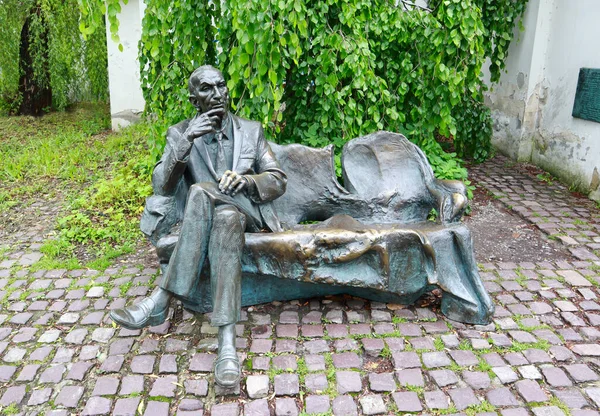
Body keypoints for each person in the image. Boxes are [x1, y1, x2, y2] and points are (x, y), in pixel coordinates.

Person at [110, 65, 287, 387]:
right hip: (219, 219)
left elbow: (277, 180)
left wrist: (246, 180)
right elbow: (162, 184)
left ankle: (161, 299)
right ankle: (228, 345)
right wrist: (187, 140)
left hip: (250, 213)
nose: (217, 94)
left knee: (201, 191)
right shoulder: (180, 133)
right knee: (224, 220)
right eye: (207, 89)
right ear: (194, 98)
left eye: (221, 86)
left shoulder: (251, 130)